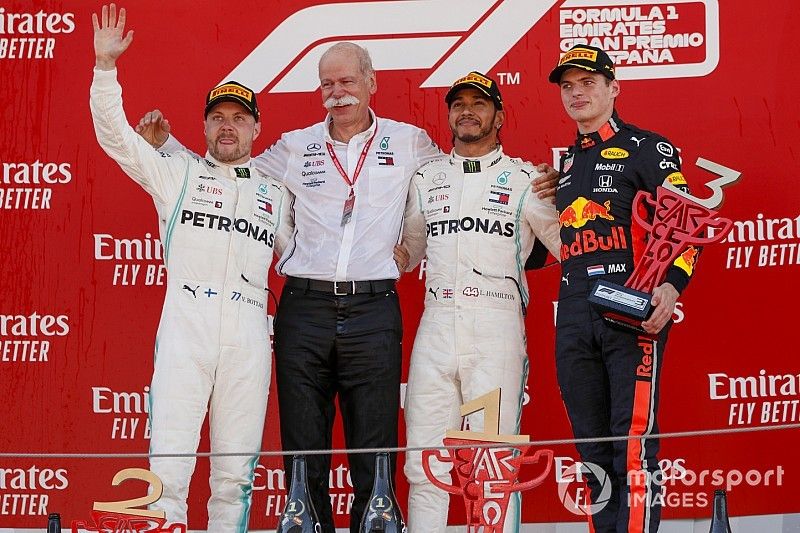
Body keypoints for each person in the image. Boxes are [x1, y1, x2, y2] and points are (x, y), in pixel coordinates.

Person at [137, 43, 558, 533]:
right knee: (305, 448)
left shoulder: (412, 144)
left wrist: (541, 184)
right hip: (305, 307)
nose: (337, 94)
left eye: (347, 82)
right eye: (328, 85)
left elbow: (471, 183)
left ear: (371, 82)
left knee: (375, 451)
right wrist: (168, 151)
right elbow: (227, 171)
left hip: (373, 307)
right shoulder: (294, 146)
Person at [90, 5, 286, 532]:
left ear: (256, 127)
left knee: (234, 480)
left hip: (248, 333)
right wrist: (105, 69)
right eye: (218, 117)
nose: (228, 127)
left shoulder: (277, 195)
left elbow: (304, 254)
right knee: (168, 473)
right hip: (186, 327)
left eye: (239, 118)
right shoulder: (176, 174)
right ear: (204, 126)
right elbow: (116, 139)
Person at [400, 72, 561, 533]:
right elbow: (407, 254)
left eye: (479, 103)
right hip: (436, 324)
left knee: (492, 462)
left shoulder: (526, 179)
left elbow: (570, 245)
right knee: (424, 462)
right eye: (458, 104)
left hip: (494, 326)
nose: (467, 111)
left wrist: (573, 191)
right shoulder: (426, 178)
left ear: (499, 116)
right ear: (449, 114)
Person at [549, 44, 695, 533]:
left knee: (630, 444)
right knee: (591, 451)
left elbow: (687, 227)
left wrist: (672, 287)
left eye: (588, 83)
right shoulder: (564, 165)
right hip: (572, 311)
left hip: (630, 307)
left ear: (613, 87)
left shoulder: (649, 148)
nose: (576, 94)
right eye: (568, 86)